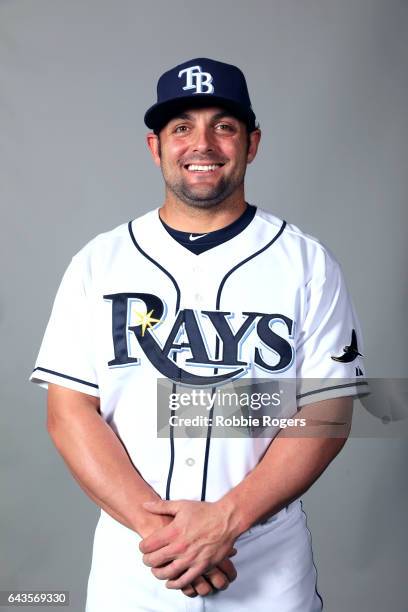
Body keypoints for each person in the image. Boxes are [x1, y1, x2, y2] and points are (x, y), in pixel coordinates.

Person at [29, 57, 368, 611]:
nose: (202, 143)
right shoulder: (100, 262)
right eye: (182, 126)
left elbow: (327, 415)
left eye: (224, 126)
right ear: (155, 146)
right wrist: (166, 536)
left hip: (265, 560)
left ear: (251, 144)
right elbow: (69, 413)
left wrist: (225, 522)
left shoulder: (306, 263)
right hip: (136, 563)